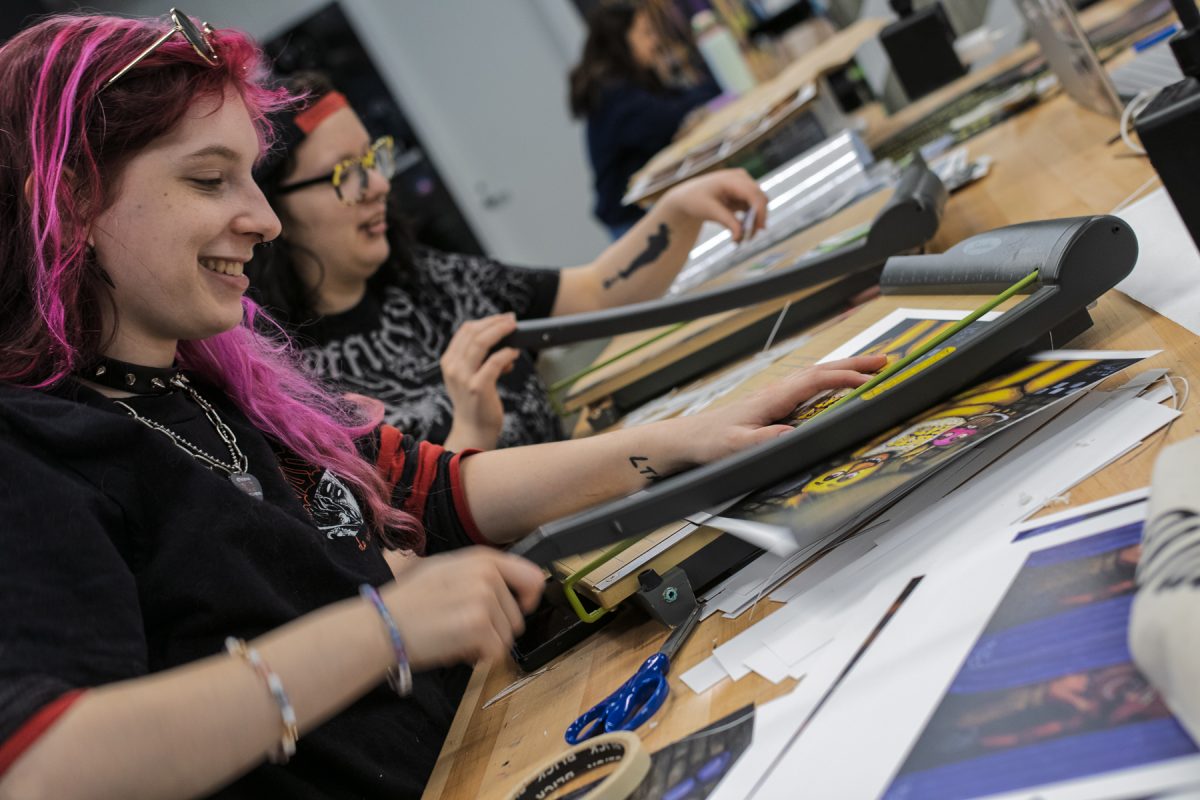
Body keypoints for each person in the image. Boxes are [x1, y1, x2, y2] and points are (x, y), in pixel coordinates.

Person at [0, 11, 884, 799]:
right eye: (208, 180)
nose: (261, 219)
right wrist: (382, 629)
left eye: (255, 178)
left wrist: (689, 442)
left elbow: (429, 487)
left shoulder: (211, 384)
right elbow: (44, 768)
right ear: (70, 197)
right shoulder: (35, 448)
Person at [249, 71, 761, 452]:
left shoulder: (432, 282)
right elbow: (400, 542)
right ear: (274, 209)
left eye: (371, 160)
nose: (379, 185)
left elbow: (597, 292)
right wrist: (471, 430)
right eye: (345, 174)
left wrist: (678, 209)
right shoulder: (284, 380)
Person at [569, 2, 721, 238]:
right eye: (645, 33)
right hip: (633, 222)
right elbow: (668, 118)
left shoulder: (633, 81)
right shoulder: (613, 94)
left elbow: (678, 98)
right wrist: (714, 80)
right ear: (621, 42)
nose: (654, 42)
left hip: (645, 211)